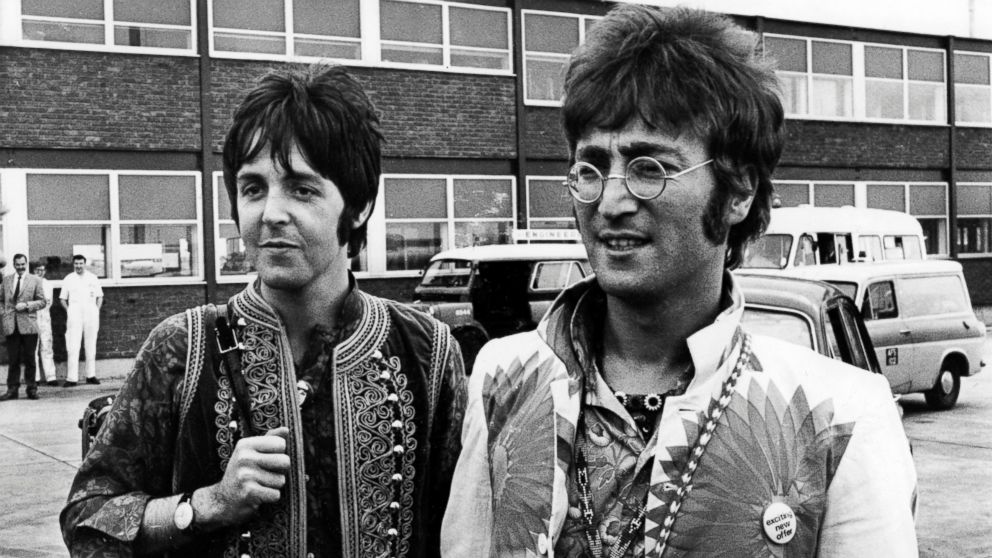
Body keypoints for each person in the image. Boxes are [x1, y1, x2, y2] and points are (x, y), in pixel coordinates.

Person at [442, 6, 917, 558]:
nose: (611, 202)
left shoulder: (841, 413)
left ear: (738, 190)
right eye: (591, 168)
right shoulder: (503, 378)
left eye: (650, 168)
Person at [61, 64, 467, 557]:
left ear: (358, 206)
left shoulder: (427, 350)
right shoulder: (182, 349)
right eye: (253, 187)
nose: (271, 212)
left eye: (302, 188)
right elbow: (86, 520)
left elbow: (470, 526)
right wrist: (207, 505)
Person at [0, 254, 48, 400]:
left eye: (23, 264)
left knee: (30, 359)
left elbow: (42, 302)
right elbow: (1, 300)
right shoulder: (6, 280)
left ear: (26, 264)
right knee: (13, 360)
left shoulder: (36, 280)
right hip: (11, 325)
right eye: (18, 264)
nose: (20, 267)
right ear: (14, 264)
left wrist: (27, 305)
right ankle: (12, 390)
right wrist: (4, 314)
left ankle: (31, 389)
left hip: (29, 325)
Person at [59, 254, 103, 386]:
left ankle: (91, 375)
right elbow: (62, 299)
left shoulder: (93, 278)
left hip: (91, 313)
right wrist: (70, 311)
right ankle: (72, 378)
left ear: (85, 264)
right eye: (76, 264)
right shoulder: (69, 279)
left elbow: (100, 296)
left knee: (91, 344)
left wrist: (96, 310)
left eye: (81, 263)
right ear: (73, 264)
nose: (78, 266)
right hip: (75, 313)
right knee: (73, 345)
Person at [33, 262, 58, 386]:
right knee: (33, 348)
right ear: (33, 271)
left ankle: (51, 376)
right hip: (32, 317)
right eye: (38, 270)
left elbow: (49, 302)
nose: (40, 272)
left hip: (45, 318)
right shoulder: (30, 283)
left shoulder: (49, 285)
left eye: (42, 270)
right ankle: (35, 377)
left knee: (47, 346)